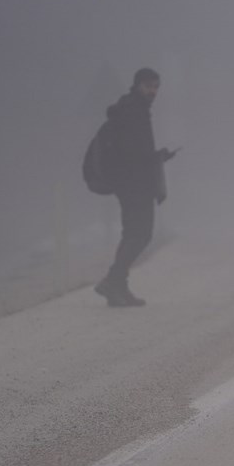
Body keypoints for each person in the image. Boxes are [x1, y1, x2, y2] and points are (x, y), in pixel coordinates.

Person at [94, 67, 177, 307]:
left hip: (132, 182)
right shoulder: (133, 111)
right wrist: (154, 159)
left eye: (156, 87)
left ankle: (117, 285)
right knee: (139, 234)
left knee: (135, 234)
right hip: (134, 184)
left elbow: (135, 151)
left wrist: (157, 157)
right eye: (149, 86)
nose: (153, 91)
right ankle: (113, 282)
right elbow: (131, 154)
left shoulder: (134, 109)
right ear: (138, 85)